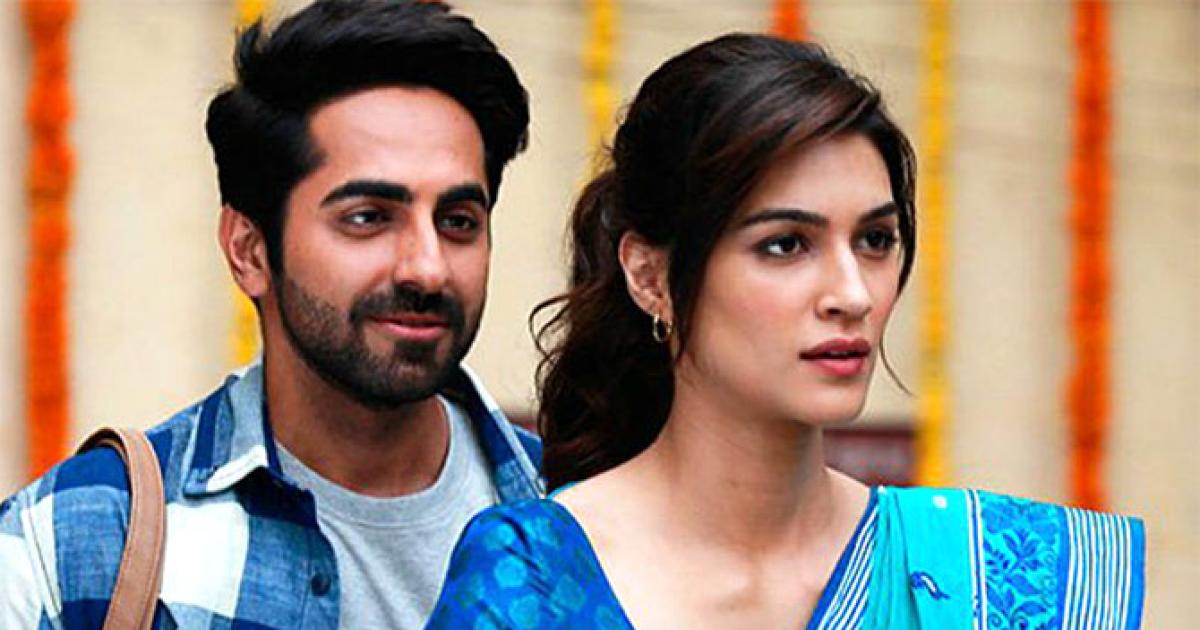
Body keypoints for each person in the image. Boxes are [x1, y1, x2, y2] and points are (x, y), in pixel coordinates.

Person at [426, 34, 1144, 629]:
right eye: (786, 245)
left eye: (875, 240)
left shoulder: (998, 579)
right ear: (650, 276)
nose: (853, 294)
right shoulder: (534, 580)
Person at [0, 1, 543, 628]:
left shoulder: (583, 517)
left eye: (458, 222)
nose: (427, 267)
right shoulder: (76, 545)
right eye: (368, 218)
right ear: (249, 250)